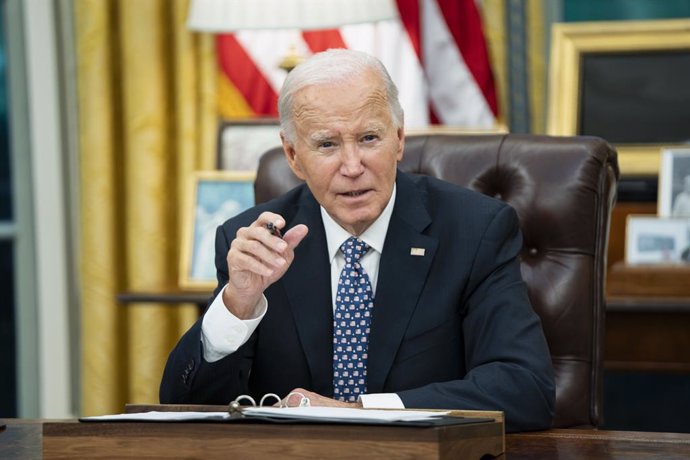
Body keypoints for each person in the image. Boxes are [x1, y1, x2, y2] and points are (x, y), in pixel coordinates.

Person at [160, 49, 555, 432]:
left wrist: (359, 411)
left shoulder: (474, 231)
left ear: (399, 139)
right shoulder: (258, 243)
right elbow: (185, 404)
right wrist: (238, 305)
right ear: (293, 155)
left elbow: (524, 388)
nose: (352, 167)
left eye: (368, 138)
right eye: (327, 145)